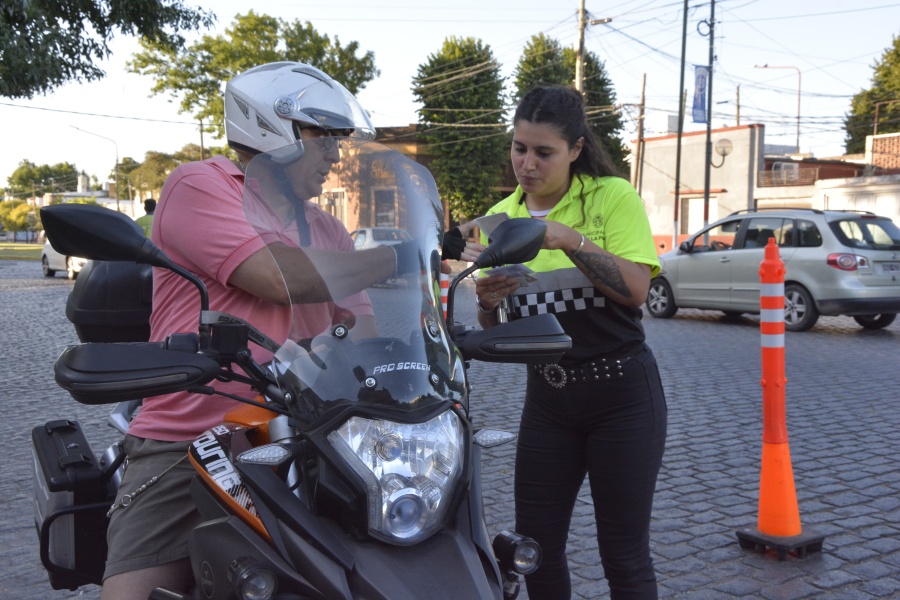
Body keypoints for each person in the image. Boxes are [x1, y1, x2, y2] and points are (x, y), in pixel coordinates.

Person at [100, 61, 404, 599]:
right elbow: (275, 277)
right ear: (273, 129)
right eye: (324, 137)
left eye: (339, 140)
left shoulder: (329, 230)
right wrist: (395, 256)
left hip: (310, 434)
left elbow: (361, 334)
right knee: (130, 593)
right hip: (194, 434)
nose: (335, 155)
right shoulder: (200, 185)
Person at [474, 85, 667, 600]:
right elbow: (497, 330)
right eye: (519, 148)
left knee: (623, 555)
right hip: (549, 400)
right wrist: (488, 304)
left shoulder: (612, 197)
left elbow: (636, 290)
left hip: (622, 396)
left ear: (576, 149)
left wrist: (571, 239)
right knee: (535, 550)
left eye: (544, 152)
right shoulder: (501, 218)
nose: (527, 164)